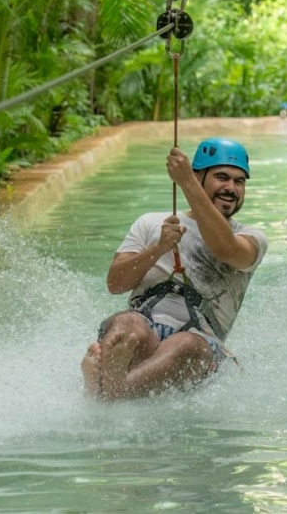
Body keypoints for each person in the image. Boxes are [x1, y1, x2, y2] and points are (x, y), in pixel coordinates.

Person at [81, 137, 268, 400]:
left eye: (239, 181)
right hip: (145, 325)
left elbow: (225, 249)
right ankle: (113, 388)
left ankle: (105, 391)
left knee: (185, 344)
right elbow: (115, 284)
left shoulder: (250, 238)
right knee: (127, 323)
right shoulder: (151, 222)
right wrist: (157, 248)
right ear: (198, 176)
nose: (231, 188)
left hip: (199, 340)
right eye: (222, 177)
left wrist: (187, 183)